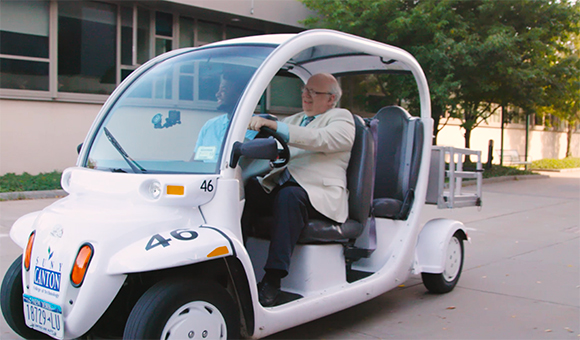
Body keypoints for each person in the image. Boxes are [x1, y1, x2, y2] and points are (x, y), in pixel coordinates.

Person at [243, 73, 355, 306]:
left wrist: (276, 126)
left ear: (331, 98)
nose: (306, 95)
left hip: (318, 195)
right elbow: (274, 141)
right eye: (305, 89)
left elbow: (320, 139)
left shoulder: (341, 119)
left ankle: (273, 279)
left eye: (314, 92)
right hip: (286, 187)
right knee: (249, 189)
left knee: (289, 195)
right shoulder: (295, 119)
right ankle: (234, 263)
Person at [193, 72, 257, 162]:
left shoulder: (254, 127)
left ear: (241, 95)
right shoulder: (210, 125)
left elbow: (242, 164)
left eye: (223, 90)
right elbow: (196, 161)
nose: (217, 94)